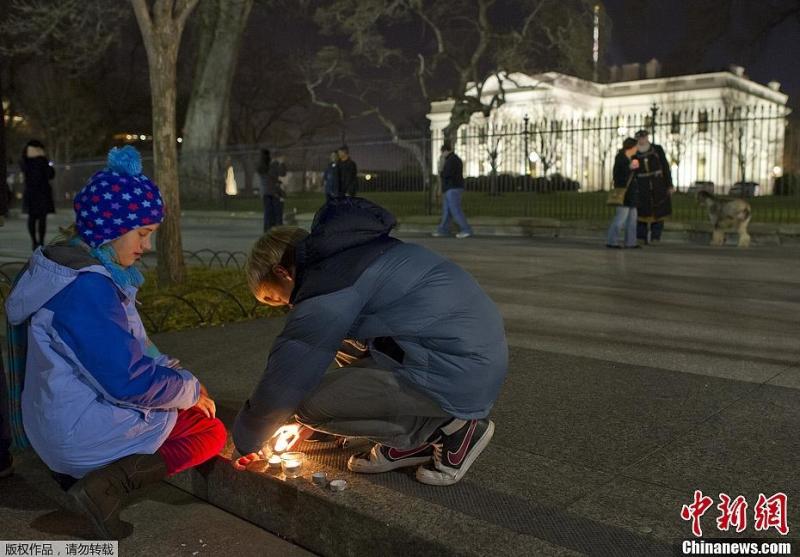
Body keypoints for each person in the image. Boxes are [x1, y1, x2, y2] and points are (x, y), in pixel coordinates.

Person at [4, 146, 226, 539]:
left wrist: (180, 377)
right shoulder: (88, 288)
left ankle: (86, 475)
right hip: (75, 431)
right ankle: (108, 487)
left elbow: (137, 347)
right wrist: (189, 391)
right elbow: (128, 381)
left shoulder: (71, 271)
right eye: (142, 234)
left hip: (55, 421)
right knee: (210, 432)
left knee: (187, 406)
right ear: (111, 228)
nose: (145, 246)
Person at [231, 197, 507, 486]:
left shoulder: (327, 287)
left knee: (305, 404)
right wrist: (320, 425)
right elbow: (354, 350)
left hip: (456, 371)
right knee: (342, 345)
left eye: (276, 298)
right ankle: (414, 441)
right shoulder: (351, 254)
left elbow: (286, 379)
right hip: (464, 356)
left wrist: (248, 440)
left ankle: (449, 429)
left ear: (282, 273)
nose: (288, 307)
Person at [632, 129, 673, 244]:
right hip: (642, 186)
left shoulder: (657, 149)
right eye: (640, 138)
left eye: (644, 137)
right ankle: (641, 236)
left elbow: (665, 167)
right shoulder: (635, 153)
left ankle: (656, 236)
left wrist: (669, 185)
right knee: (642, 211)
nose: (642, 140)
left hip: (658, 185)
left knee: (658, 212)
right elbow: (634, 169)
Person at [606, 137, 641, 249]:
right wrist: (629, 168)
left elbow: (636, 174)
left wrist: (635, 168)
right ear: (631, 147)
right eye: (636, 146)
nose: (637, 148)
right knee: (620, 219)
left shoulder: (632, 158)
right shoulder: (621, 158)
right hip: (624, 193)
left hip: (632, 193)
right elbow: (618, 175)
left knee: (632, 221)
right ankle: (612, 241)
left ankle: (631, 242)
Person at [433, 142, 473, 239]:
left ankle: (466, 229)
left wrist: (441, 172)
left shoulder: (451, 160)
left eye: (442, 152)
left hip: (452, 188)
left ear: (446, 151)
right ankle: (443, 230)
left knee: (455, 210)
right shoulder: (454, 159)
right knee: (447, 211)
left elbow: (447, 174)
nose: (442, 155)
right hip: (451, 188)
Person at [20, 140, 55, 250]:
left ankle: (34, 241)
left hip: (31, 192)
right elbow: (50, 174)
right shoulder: (42, 161)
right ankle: (40, 242)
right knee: (41, 218)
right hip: (42, 192)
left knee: (32, 217)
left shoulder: (25, 161)